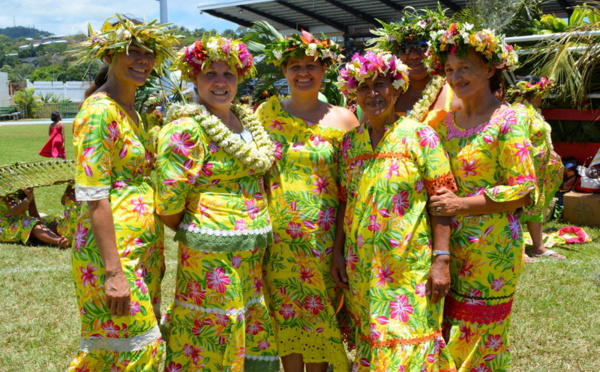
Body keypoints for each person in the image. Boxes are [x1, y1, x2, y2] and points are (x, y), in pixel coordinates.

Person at [155, 36, 279, 371]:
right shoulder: (185, 128)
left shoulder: (247, 121)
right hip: (210, 251)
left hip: (250, 251)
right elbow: (168, 202)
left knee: (244, 317)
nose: (221, 82)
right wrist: (205, 227)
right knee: (217, 325)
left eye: (229, 74)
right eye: (211, 74)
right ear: (194, 78)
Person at [331, 51, 457, 372]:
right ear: (353, 94)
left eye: (381, 84)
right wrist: (337, 253)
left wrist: (441, 259)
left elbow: (441, 199)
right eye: (364, 87)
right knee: (371, 339)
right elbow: (345, 200)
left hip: (408, 268)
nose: (372, 93)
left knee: (408, 342)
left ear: (397, 87)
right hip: (361, 269)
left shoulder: (421, 136)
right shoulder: (349, 144)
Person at [68, 15, 178, 371]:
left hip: (141, 249)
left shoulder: (131, 111)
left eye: (150, 52)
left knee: (119, 353)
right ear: (108, 55)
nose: (143, 60)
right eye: (132, 51)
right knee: (134, 349)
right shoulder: (99, 112)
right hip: (114, 256)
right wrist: (114, 272)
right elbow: (93, 194)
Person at [426, 23, 537, 370]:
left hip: (492, 248)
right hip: (447, 243)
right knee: (446, 326)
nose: (456, 77)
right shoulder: (443, 124)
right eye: (449, 70)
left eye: (465, 68)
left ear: (490, 69)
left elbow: (523, 187)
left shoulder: (508, 120)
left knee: (481, 332)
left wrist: (462, 204)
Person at [257, 30, 359, 372]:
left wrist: (341, 247)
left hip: (324, 243)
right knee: (284, 316)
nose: (303, 72)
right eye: (295, 66)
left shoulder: (345, 119)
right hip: (277, 241)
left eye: (311, 65)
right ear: (283, 70)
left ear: (325, 68)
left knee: (318, 317)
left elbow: (350, 188)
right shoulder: (264, 115)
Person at [368, 7, 460, 126]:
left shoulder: (457, 91)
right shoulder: (386, 94)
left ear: (437, 49)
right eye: (404, 48)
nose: (413, 56)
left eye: (422, 46)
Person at [507, 76, 565, 259]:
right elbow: (520, 140)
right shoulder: (520, 112)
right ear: (535, 92)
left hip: (538, 169)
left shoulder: (533, 110)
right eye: (542, 93)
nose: (543, 97)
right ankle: (518, 249)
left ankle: (538, 247)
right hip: (525, 168)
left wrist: (550, 151)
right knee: (521, 203)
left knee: (535, 204)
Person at [1, 187, 69, 248]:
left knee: (54, 220)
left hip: (21, 222)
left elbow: (33, 213)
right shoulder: (3, 191)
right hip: (6, 228)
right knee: (31, 223)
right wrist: (28, 199)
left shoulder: (21, 190)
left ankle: (40, 237)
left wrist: (42, 225)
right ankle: (59, 241)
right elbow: (15, 211)